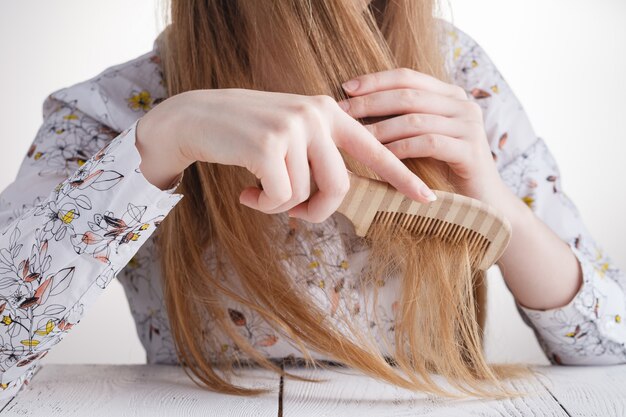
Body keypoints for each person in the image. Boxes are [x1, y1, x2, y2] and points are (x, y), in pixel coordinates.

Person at [1, 0, 625, 403]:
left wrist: (494, 200)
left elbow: (612, 348)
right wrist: (163, 140)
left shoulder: (457, 75)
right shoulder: (122, 106)